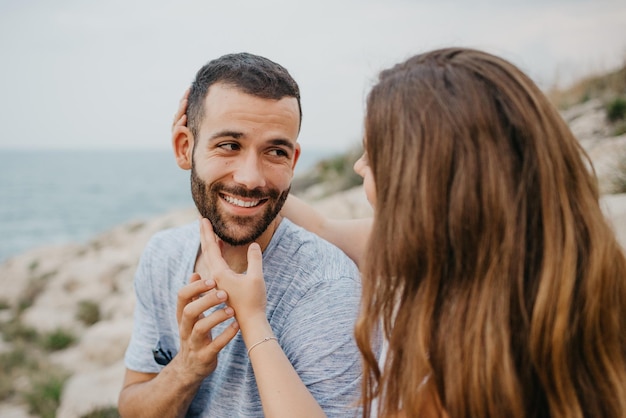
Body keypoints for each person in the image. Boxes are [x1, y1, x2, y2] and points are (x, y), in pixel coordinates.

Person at [278, 48, 626, 417]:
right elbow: (320, 226)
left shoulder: (455, 379)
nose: (358, 164)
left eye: (372, 153)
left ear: (419, 176)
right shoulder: (571, 272)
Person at [118, 52, 366, 418]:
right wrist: (186, 369)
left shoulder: (327, 287)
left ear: (293, 162)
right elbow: (132, 406)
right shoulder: (164, 254)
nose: (250, 177)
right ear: (184, 147)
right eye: (229, 145)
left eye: (275, 151)